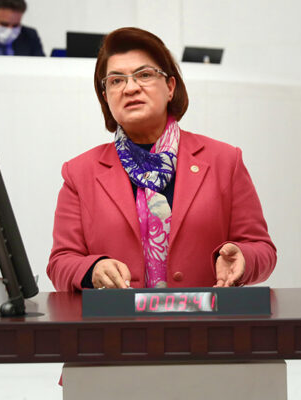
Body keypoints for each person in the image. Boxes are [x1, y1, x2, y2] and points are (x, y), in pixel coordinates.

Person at [47, 27, 276, 291]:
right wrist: (92, 269)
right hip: (118, 318)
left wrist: (244, 258)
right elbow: (60, 263)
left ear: (170, 87)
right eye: (116, 80)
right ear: (105, 96)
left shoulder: (224, 161)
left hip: (205, 316)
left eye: (144, 75)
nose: (130, 88)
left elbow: (262, 249)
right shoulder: (79, 173)